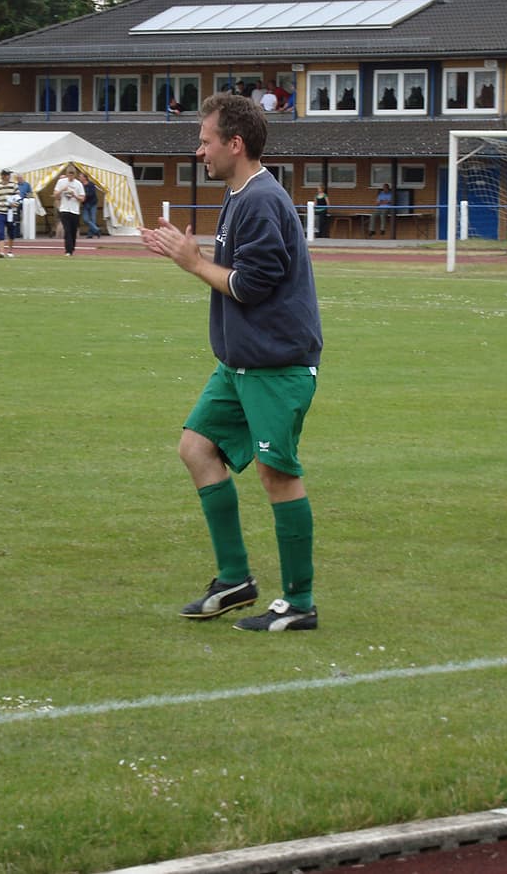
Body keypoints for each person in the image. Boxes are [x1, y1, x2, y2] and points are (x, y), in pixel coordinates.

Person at [141, 93, 323, 632]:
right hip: (240, 366)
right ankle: (236, 578)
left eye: (205, 141)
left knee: (277, 475)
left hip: (277, 367)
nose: (200, 151)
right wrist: (192, 257)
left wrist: (193, 262)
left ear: (234, 143)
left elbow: (251, 285)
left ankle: (301, 602)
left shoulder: (262, 200)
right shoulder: (239, 195)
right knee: (196, 448)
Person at [54, 164, 85, 256]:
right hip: (64, 209)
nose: (70, 177)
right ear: (67, 174)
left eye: (72, 175)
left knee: (73, 230)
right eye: (69, 174)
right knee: (67, 230)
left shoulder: (78, 184)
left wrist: (74, 195)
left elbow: (82, 198)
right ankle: (68, 250)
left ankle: (72, 248)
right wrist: (62, 190)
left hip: (74, 210)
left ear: (74, 175)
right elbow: (55, 194)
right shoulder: (61, 182)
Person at [0, 168, 19, 258]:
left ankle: (10, 251)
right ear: (3, 176)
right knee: (0, 232)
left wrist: (15, 204)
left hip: (11, 212)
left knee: (11, 232)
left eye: (9, 175)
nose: (9, 176)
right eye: (7, 175)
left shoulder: (14, 185)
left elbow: (18, 198)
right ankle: (1, 252)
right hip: (0, 212)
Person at [81, 172, 101, 238]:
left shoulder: (91, 184)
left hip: (92, 203)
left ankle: (90, 234)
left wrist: (84, 196)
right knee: (85, 219)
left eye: (81, 176)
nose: (80, 178)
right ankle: (96, 229)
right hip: (85, 204)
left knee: (93, 219)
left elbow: (92, 193)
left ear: (85, 177)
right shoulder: (80, 185)